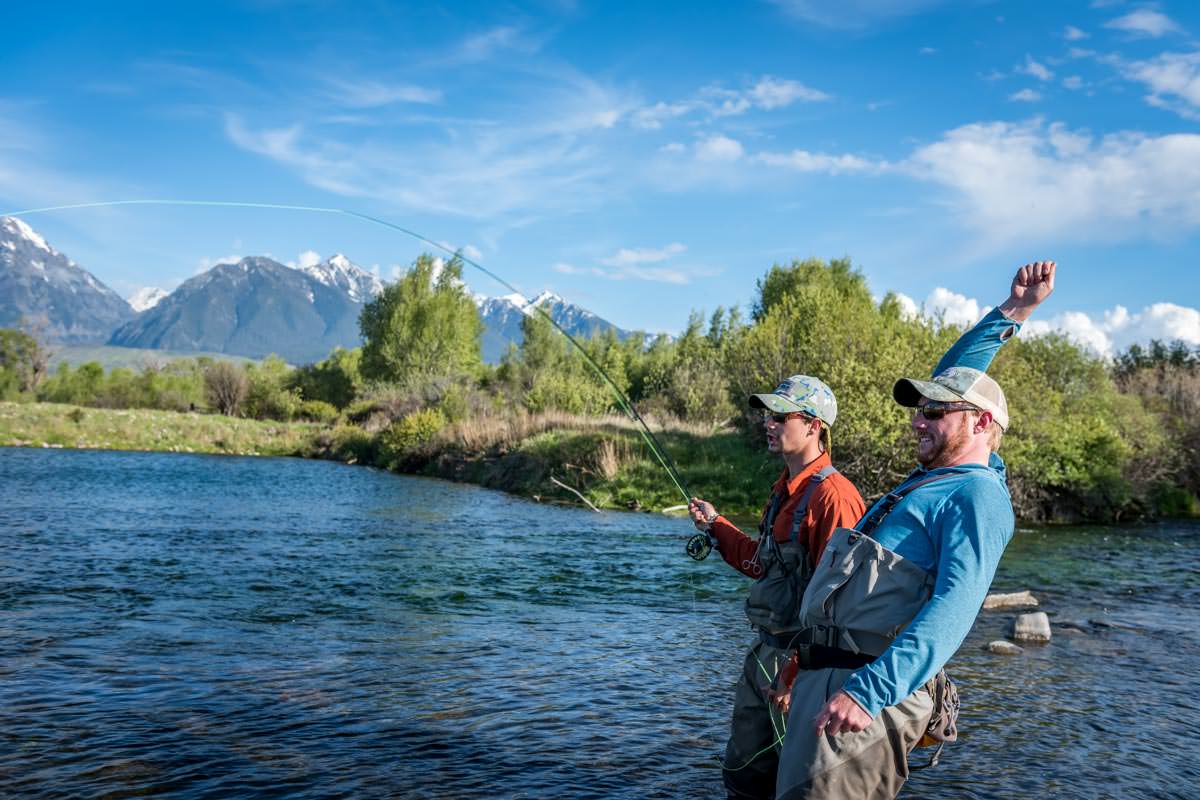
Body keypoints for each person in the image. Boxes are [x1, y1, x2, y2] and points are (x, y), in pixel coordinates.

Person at [773, 261, 1057, 800]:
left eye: (936, 412)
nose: (918, 420)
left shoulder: (975, 495)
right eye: (920, 410)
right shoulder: (931, 481)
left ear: (981, 424)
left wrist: (869, 692)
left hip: (864, 694)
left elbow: (956, 607)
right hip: (828, 679)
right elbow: (956, 374)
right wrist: (1013, 310)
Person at [688, 376, 866, 800]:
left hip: (802, 666)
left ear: (813, 425)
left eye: (780, 416)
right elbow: (761, 565)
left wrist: (793, 673)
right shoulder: (782, 491)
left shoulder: (834, 498)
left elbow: (838, 603)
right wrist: (716, 526)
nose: (768, 423)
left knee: (799, 783)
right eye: (768, 415)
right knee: (744, 772)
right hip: (764, 654)